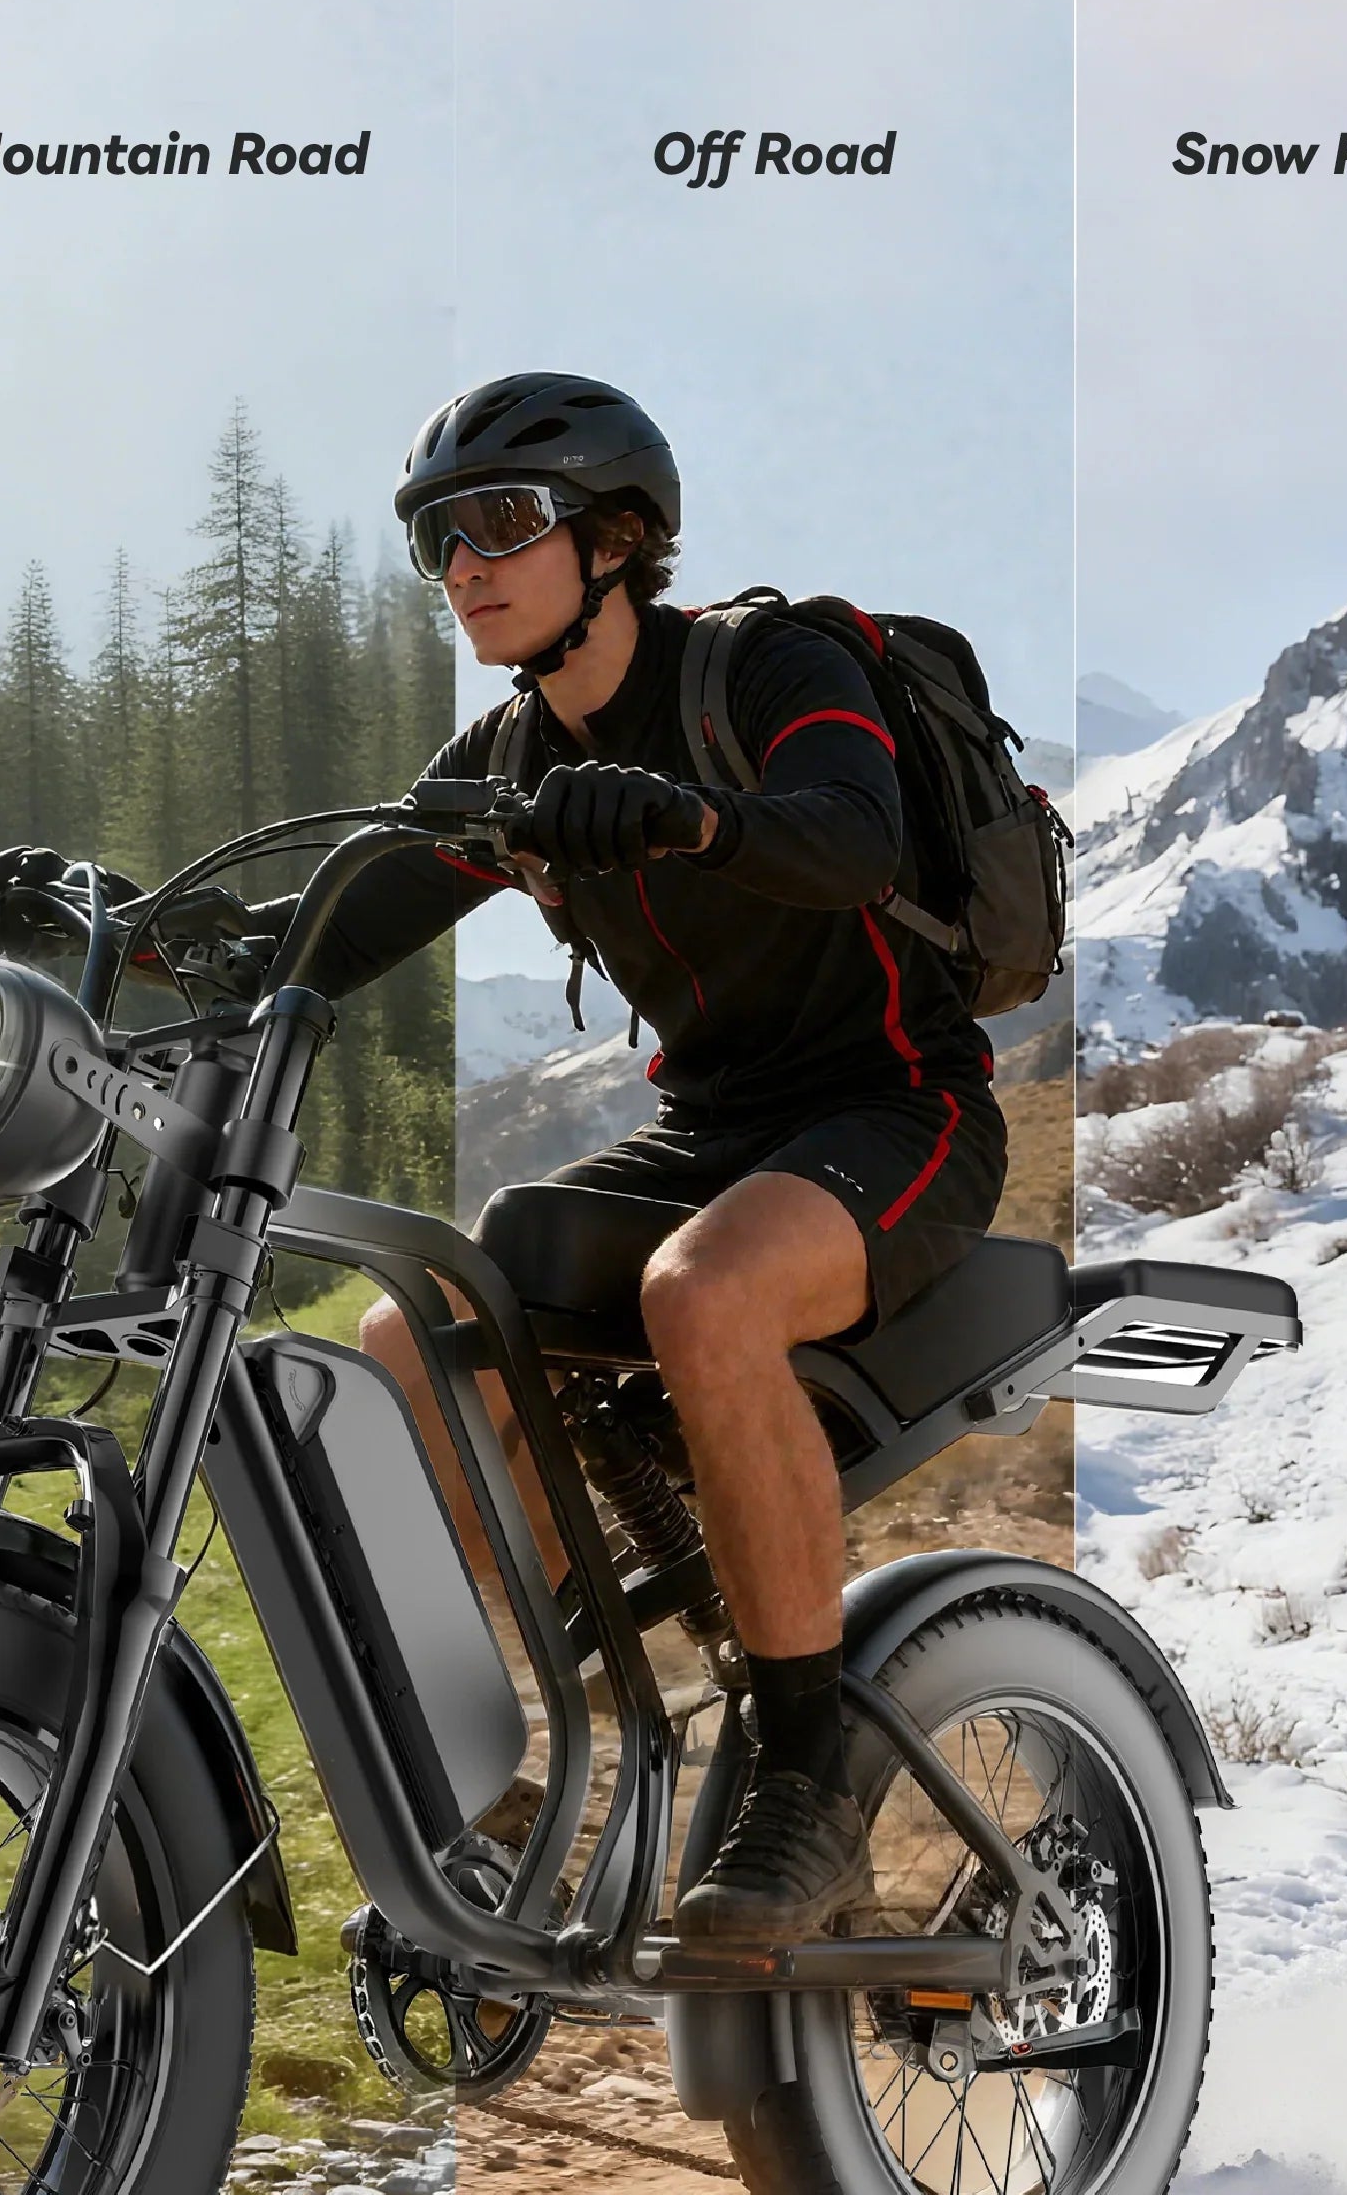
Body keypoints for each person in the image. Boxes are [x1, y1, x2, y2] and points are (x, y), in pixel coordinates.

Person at [292, 373, 1009, 1943]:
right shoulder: (509, 756)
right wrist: (135, 932)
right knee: (410, 1332)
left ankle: (805, 1789)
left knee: (704, 1293)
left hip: (895, 1107)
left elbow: (852, 835)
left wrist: (685, 816)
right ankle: (578, 1708)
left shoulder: (767, 665)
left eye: (498, 522)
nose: (462, 565)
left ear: (614, 538)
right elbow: (338, 924)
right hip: (708, 1133)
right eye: (435, 539)